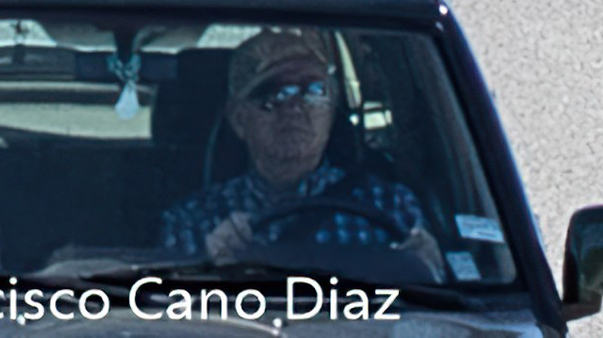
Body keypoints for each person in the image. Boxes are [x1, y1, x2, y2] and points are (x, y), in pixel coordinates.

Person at [158, 31, 437, 270]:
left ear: (331, 110)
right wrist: (208, 268)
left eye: (313, 90)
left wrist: (429, 268)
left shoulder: (392, 207)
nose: (294, 106)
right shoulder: (194, 221)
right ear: (239, 119)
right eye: (272, 93)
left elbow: (428, 310)